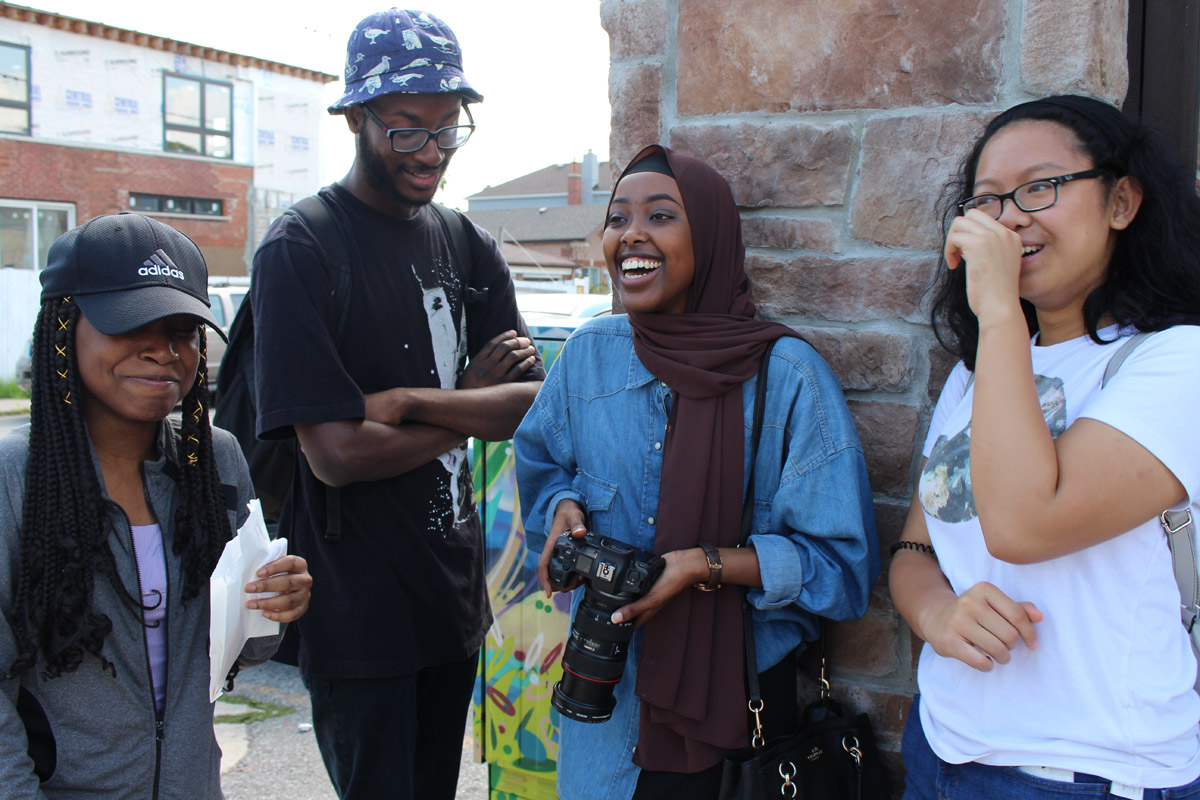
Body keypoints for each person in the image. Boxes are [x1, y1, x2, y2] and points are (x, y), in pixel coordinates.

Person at [513, 145, 879, 800]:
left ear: (709, 236)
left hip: (736, 719)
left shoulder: (788, 378)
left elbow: (842, 573)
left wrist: (703, 567)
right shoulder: (589, 355)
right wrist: (562, 506)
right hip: (604, 709)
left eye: (660, 216)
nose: (631, 235)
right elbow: (542, 461)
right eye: (617, 218)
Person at [249, 8, 544, 800]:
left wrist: (415, 400)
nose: (431, 151)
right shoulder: (302, 249)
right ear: (355, 117)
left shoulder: (467, 244)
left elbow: (526, 404)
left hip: (452, 602)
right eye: (407, 128)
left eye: (448, 127)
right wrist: (466, 404)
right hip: (357, 619)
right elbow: (337, 455)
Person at [890, 95, 1200, 800]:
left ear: (1122, 202)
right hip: (942, 750)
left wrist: (999, 310)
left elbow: (1026, 526)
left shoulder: (1178, 361)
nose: (1009, 218)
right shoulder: (976, 374)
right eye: (987, 200)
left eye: (1041, 187)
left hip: (1088, 773)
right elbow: (915, 547)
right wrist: (938, 614)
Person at [0, 213, 312, 798]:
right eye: (131, 324)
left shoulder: (214, 461)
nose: (164, 351)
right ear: (64, 325)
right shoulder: (14, 478)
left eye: (182, 329)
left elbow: (242, 652)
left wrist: (274, 605)